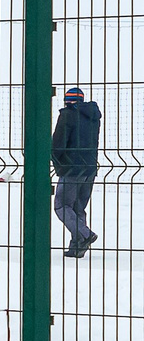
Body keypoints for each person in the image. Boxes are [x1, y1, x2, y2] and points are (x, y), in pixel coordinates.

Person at [55, 85, 101, 257]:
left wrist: (57, 163)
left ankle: (85, 234)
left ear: (68, 101)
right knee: (78, 207)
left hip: (71, 169)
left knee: (61, 205)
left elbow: (58, 143)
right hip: (89, 168)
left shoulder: (67, 115)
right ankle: (77, 248)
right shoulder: (93, 117)